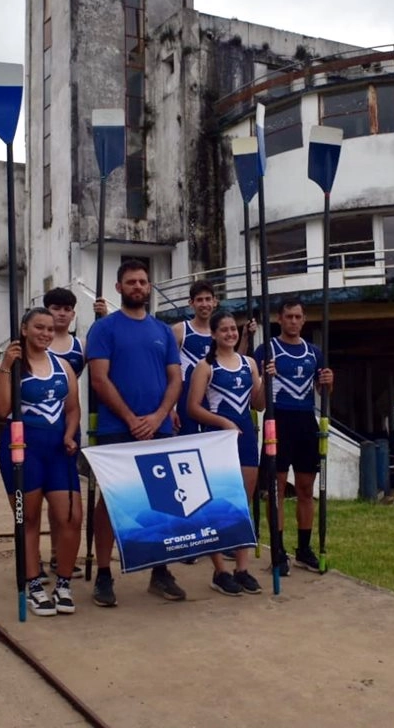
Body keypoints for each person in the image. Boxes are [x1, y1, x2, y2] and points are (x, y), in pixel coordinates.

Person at [85, 259, 185, 607]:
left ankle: (160, 571)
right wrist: (130, 419)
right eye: (131, 282)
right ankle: (104, 573)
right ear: (119, 287)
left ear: (149, 286)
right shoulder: (104, 329)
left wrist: (157, 417)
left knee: (162, 501)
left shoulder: (163, 331)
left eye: (143, 281)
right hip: (117, 428)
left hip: (158, 429)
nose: (138, 287)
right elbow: (99, 379)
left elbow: (176, 379)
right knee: (112, 502)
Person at [0, 307, 82, 616]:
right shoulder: (12, 366)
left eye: (50, 329)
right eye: (39, 327)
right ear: (24, 329)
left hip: (58, 451)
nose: (45, 333)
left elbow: (72, 409)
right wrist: (6, 365)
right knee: (28, 519)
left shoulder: (63, 367)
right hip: (22, 449)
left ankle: (64, 584)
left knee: (71, 517)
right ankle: (33, 584)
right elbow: (0, 409)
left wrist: (70, 435)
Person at [186, 311, 265, 596]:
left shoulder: (249, 363)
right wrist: (223, 423)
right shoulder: (205, 366)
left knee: (243, 502)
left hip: (245, 438)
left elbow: (258, 404)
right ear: (214, 334)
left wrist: (267, 380)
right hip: (218, 439)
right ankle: (220, 570)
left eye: (234, 329)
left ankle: (242, 568)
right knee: (218, 504)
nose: (231, 334)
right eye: (225, 330)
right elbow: (192, 407)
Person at [254, 298, 334, 575]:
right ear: (279, 319)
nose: (293, 321)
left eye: (298, 317)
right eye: (288, 316)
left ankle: (304, 549)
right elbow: (257, 401)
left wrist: (329, 383)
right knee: (275, 488)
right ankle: (277, 550)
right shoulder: (267, 350)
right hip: (278, 420)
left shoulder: (314, 353)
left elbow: (323, 392)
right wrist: (266, 379)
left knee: (305, 488)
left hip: (305, 422)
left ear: (304, 320)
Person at [41, 287, 85, 581]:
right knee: (38, 495)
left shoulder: (81, 346)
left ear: (73, 314)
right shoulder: (36, 341)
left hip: (69, 423)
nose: (61, 313)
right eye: (56, 308)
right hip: (38, 425)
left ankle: (59, 554)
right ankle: (32, 557)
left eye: (67, 309)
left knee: (64, 496)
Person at [172, 281, 217, 436]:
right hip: (185, 395)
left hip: (212, 396)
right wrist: (170, 409)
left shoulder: (220, 332)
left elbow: (230, 363)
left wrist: (245, 338)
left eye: (208, 299)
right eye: (199, 300)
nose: (204, 304)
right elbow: (168, 371)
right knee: (187, 443)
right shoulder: (180, 330)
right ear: (191, 303)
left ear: (215, 301)